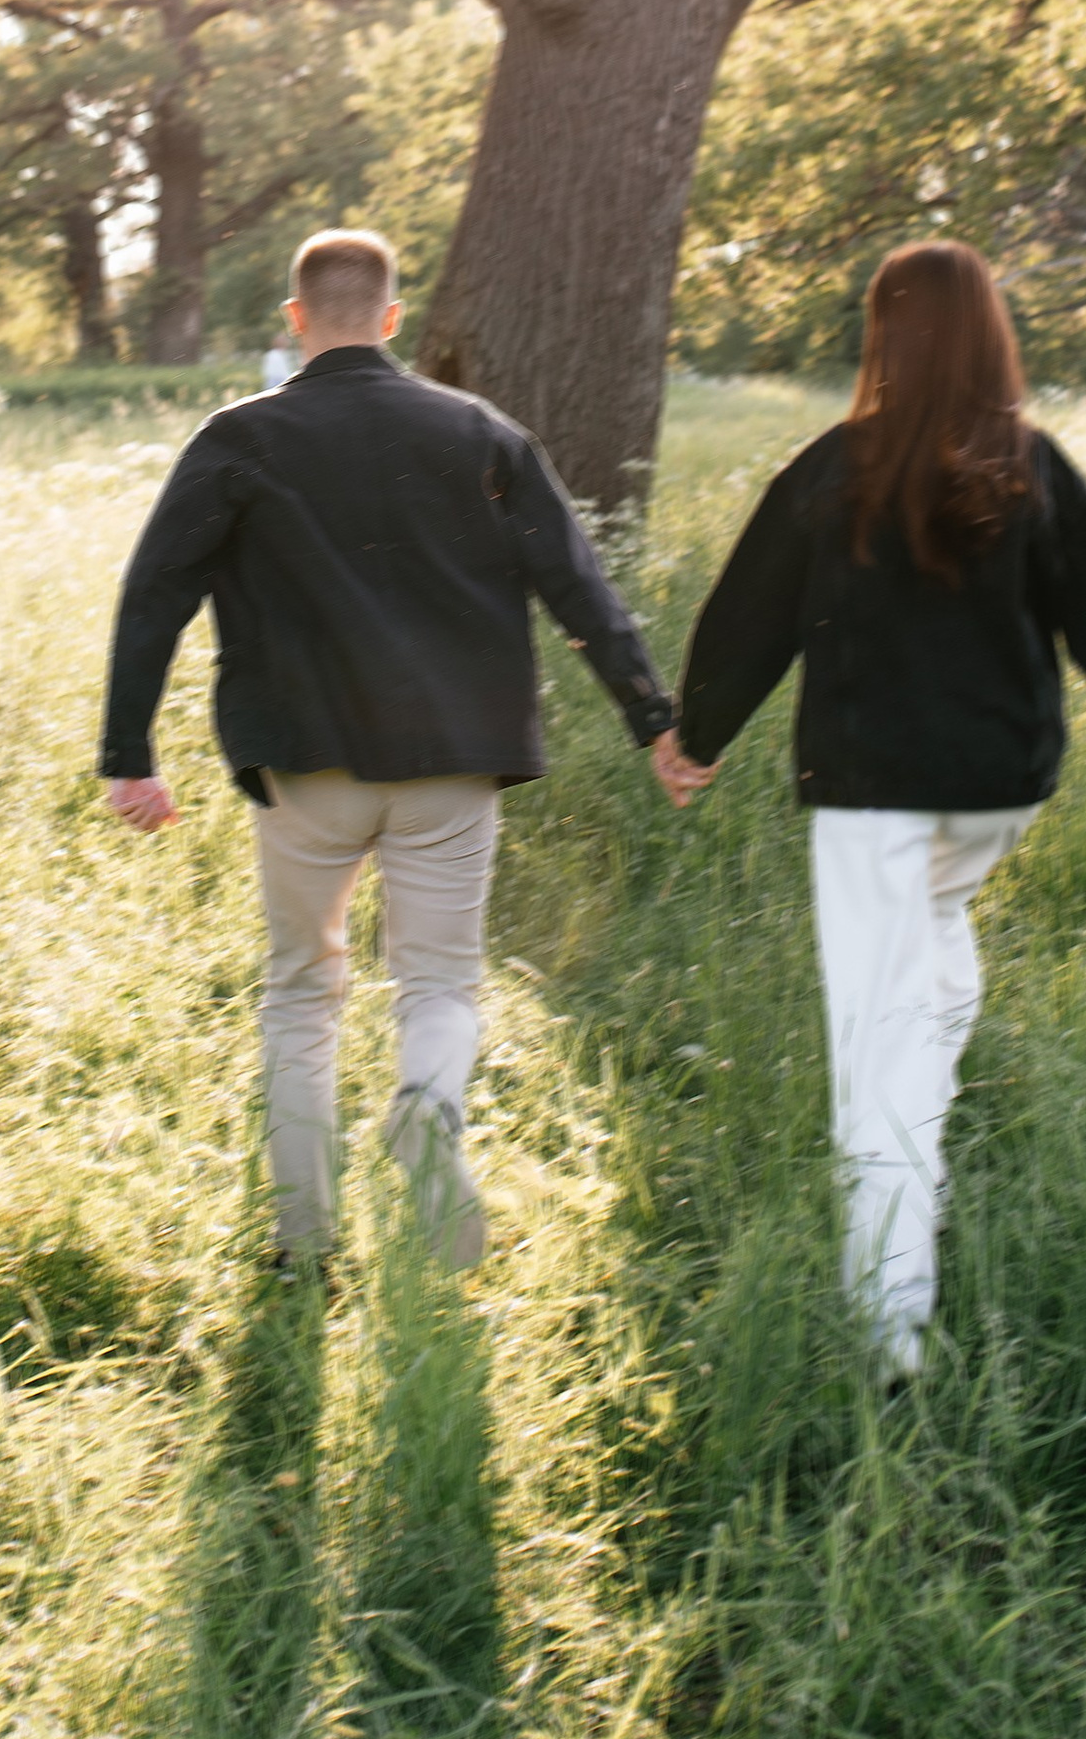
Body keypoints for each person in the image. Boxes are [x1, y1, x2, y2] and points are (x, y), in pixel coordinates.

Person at [663, 238, 1086, 1374]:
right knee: (935, 958)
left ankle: (886, 1330)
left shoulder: (831, 466)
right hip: (994, 796)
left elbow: (746, 611)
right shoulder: (1030, 466)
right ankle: (922, 1123)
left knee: (879, 1051)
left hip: (870, 800)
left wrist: (693, 738)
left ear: (881, 334)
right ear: (990, 332)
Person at [100, 226, 677, 1273]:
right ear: (392, 316)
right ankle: (426, 1110)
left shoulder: (241, 437)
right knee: (441, 984)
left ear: (295, 319)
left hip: (304, 762)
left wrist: (128, 753)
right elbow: (577, 587)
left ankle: (302, 1242)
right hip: (453, 761)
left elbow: (156, 592)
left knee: (299, 991)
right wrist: (652, 716)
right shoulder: (481, 432)